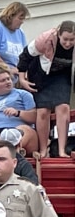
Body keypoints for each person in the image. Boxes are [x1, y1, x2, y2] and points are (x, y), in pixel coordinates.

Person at [18, 21, 75, 157]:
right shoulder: (45, 39)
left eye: (72, 40)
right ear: (58, 35)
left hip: (62, 76)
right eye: (65, 39)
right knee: (43, 111)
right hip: (40, 75)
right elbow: (25, 55)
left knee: (63, 108)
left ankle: (62, 150)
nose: (68, 43)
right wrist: (22, 79)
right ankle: (43, 149)